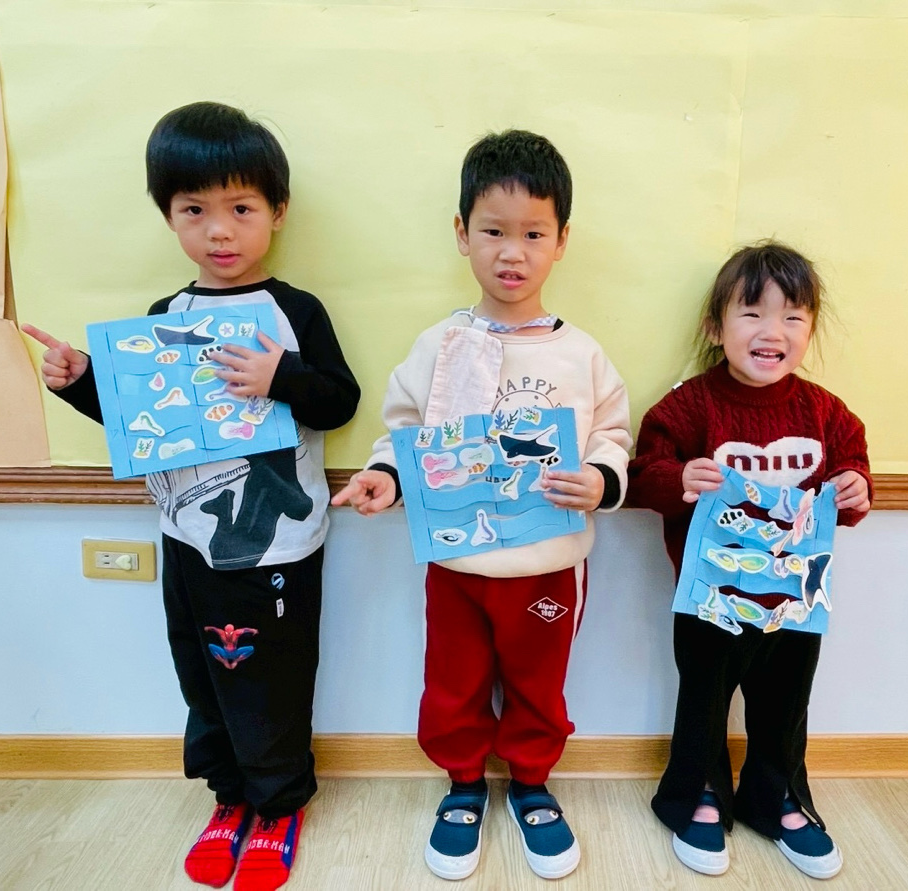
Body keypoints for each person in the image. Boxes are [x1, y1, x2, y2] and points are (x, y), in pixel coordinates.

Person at [22, 101, 360, 891]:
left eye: (241, 209)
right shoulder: (164, 318)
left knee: (273, 676)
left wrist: (280, 375)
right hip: (187, 539)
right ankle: (228, 795)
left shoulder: (294, 311)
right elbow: (142, 423)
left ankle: (278, 805)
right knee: (201, 672)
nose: (219, 231)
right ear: (168, 217)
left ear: (277, 212)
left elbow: (339, 402)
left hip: (279, 545)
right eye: (194, 210)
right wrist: (81, 383)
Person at [331, 130, 631, 881]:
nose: (512, 252)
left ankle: (531, 783)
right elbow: (404, 430)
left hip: (549, 562)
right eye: (494, 231)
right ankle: (463, 783)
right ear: (462, 233)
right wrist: (385, 476)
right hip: (457, 560)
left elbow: (614, 433)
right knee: (453, 679)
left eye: (534, 234)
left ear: (562, 241)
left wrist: (601, 478)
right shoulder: (439, 344)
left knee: (539, 683)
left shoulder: (582, 354)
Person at [628, 241, 871, 881]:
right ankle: (698, 792)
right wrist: (679, 477)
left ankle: (777, 794)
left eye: (793, 316)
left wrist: (855, 491)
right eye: (752, 313)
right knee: (704, 701)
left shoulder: (826, 412)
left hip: (795, 599)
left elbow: (851, 480)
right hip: (711, 597)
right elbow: (644, 474)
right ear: (716, 327)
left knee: (786, 704)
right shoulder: (688, 406)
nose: (772, 331)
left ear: (810, 330)